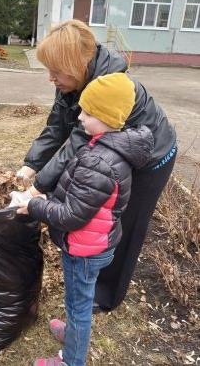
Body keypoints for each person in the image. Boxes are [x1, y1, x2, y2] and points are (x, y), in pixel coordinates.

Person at [16, 19, 177, 312]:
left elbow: (78, 143)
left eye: (56, 70)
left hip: (151, 158)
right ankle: (91, 272)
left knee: (124, 223)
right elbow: (57, 125)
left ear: (77, 63)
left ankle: (105, 295)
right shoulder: (72, 80)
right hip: (113, 154)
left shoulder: (109, 86)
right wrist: (30, 165)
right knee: (97, 214)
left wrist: (38, 188)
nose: (50, 77)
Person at [16, 72, 154, 366]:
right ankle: (74, 334)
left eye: (88, 112)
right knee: (78, 298)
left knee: (78, 304)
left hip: (84, 249)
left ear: (106, 118)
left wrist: (37, 206)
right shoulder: (110, 148)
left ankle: (71, 359)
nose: (79, 117)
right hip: (97, 242)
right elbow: (83, 199)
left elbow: (71, 216)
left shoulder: (99, 161)